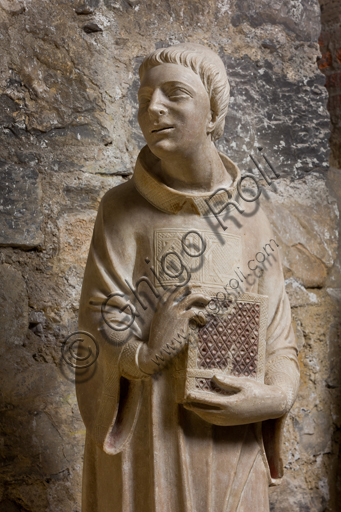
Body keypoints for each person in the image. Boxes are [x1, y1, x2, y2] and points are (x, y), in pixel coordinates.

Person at [76, 43, 299, 512]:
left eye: (174, 94)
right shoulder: (121, 211)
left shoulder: (250, 214)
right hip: (149, 437)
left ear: (214, 113)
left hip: (231, 441)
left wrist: (274, 396)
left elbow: (280, 343)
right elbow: (97, 324)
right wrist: (146, 351)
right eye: (144, 99)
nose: (153, 108)